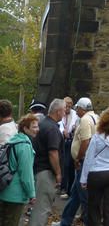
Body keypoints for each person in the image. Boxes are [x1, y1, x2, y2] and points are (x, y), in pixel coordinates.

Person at [79, 105, 109, 226]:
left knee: (94, 207)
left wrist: (83, 178)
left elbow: (88, 159)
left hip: (96, 174)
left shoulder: (96, 137)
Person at [53, 97, 98, 226]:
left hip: (83, 162)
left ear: (82, 109)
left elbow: (85, 141)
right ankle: (65, 222)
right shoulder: (96, 117)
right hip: (88, 161)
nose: (76, 111)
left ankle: (89, 222)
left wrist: (78, 159)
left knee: (84, 196)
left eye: (77, 108)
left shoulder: (85, 120)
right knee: (75, 194)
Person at [28, 98, 65, 226]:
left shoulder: (42, 123)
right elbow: (53, 152)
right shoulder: (52, 128)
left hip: (38, 169)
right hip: (46, 172)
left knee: (39, 207)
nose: (65, 113)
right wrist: (59, 173)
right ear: (59, 111)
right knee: (42, 208)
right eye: (64, 111)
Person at [0, 113, 39, 226]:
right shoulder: (25, 146)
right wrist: (31, 194)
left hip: (4, 189)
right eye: (34, 127)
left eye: (37, 126)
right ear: (25, 129)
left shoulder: (13, 141)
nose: (37, 129)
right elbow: (26, 174)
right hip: (15, 195)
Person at [58, 97, 78, 197]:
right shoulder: (60, 113)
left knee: (70, 165)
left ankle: (68, 189)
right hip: (62, 141)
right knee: (64, 165)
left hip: (71, 140)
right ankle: (62, 187)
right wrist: (62, 131)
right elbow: (58, 124)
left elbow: (78, 123)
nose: (67, 109)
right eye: (66, 106)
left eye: (69, 107)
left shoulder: (74, 114)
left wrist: (74, 127)